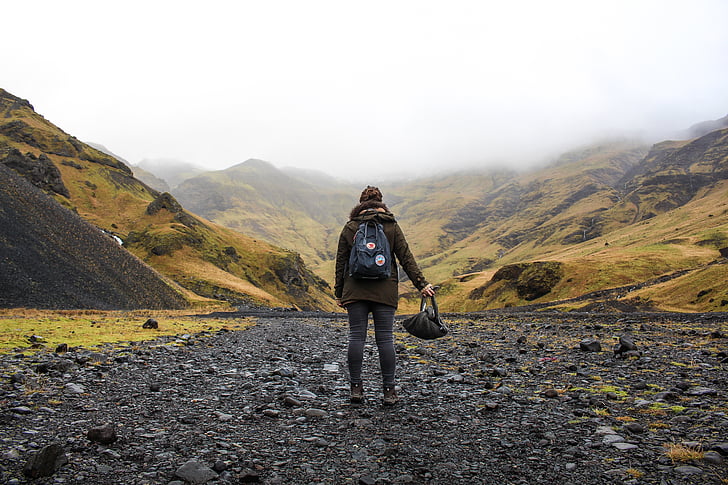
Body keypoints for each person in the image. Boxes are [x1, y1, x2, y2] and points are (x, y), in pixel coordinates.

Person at [334, 186, 435, 405]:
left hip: (355, 289)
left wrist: (339, 293)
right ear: (381, 203)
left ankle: (356, 390)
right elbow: (406, 258)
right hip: (385, 289)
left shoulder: (351, 227)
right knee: (385, 339)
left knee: (356, 337)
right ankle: (389, 391)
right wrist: (422, 284)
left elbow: (341, 262)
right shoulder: (391, 225)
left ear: (360, 203)